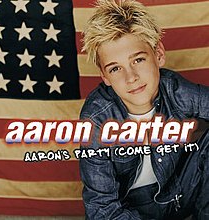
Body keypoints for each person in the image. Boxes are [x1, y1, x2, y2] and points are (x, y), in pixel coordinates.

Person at [79, 0, 209, 219]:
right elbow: (101, 208)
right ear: (104, 76)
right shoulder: (97, 119)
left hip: (180, 194)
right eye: (116, 68)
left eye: (138, 60)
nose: (131, 78)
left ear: (158, 55)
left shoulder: (174, 90)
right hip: (131, 210)